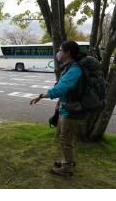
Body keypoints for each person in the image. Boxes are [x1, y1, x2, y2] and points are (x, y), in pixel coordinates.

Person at [30, 41, 85, 176]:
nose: (58, 53)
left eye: (60, 50)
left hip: (72, 110)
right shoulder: (69, 67)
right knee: (64, 138)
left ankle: (67, 168)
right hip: (66, 107)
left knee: (66, 139)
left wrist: (42, 96)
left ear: (68, 53)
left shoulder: (74, 70)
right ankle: (68, 161)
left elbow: (61, 88)